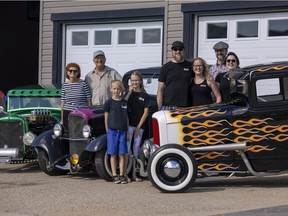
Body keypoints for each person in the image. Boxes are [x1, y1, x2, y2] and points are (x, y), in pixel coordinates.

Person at [125, 71, 150, 182]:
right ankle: (125, 173)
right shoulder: (128, 94)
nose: (134, 82)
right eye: (132, 80)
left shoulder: (145, 96)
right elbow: (122, 104)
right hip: (128, 126)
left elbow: (146, 113)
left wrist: (138, 127)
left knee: (135, 150)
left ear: (140, 81)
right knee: (126, 150)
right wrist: (129, 92)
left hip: (139, 127)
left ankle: (134, 173)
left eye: (136, 80)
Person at [104, 80, 129, 184]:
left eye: (118, 88)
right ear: (111, 89)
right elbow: (106, 118)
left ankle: (122, 175)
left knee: (122, 154)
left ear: (122, 90)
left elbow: (127, 118)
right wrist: (107, 131)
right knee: (113, 154)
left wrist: (127, 132)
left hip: (123, 132)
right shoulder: (108, 102)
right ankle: (114, 175)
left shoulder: (124, 103)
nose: (116, 90)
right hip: (112, 132)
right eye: (114, 88)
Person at [157, 41, 193, 110]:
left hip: (186, 107)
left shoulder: (190, 66)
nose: (178, 51)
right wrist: (159, 108)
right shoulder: (165, 67)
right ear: (172, 51)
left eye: (180, 49)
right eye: (175, 49)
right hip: (168, 106)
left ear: (184, 51)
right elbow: (160, 89)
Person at [61, 63, 92, 130]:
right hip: (67, 112)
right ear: (67, 72)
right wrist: (62, 119)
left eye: (75, 71)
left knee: (80, 132)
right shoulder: (64, 85)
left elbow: (89, 100)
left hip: (81, 113)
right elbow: (63, 103)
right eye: (70, 70)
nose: (73, 72)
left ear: (78, 73)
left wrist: (90, 114)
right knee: (67, 132)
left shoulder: (83, 84)